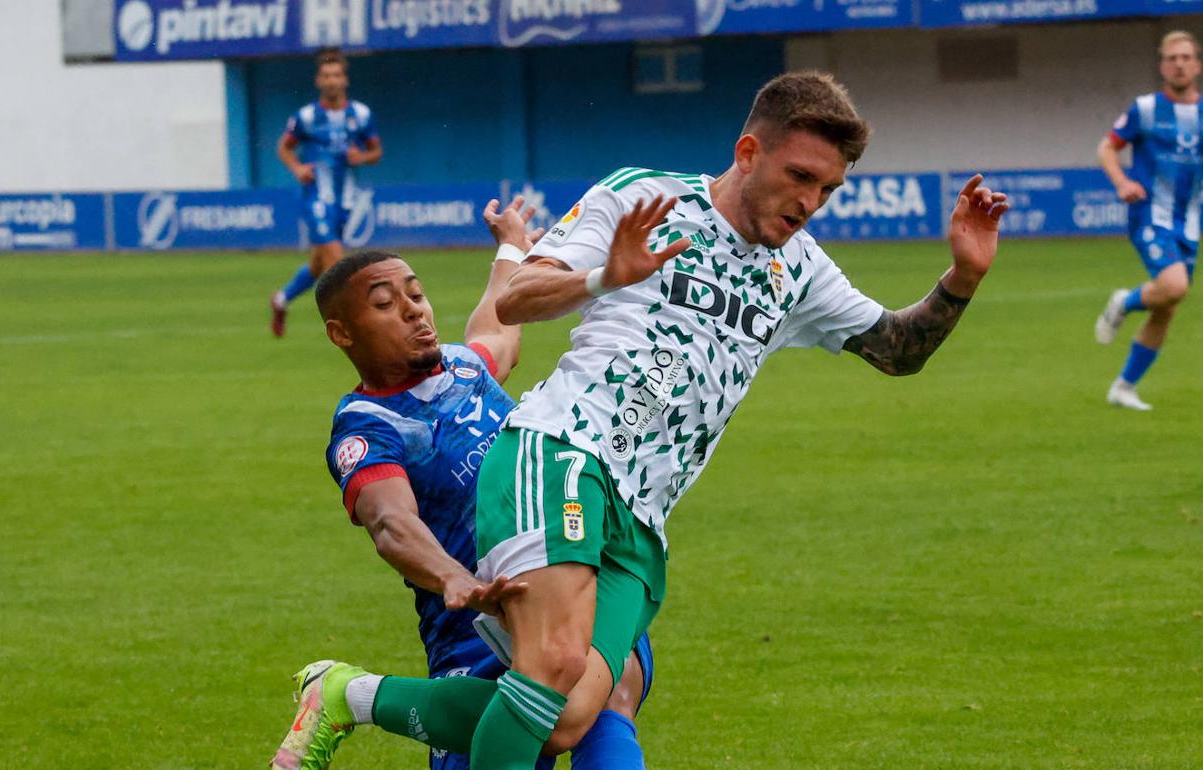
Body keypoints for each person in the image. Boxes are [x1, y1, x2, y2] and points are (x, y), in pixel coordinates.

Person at [272, 70, 1008, 770]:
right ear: (749, 152)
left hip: (644, 517)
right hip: (562, 454)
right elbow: (518, 298)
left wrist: (961, 278)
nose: (811, 201)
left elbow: (895, 349)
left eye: (828, 188)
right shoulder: (646, 197)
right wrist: (605, 277)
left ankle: (347, 694)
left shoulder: (802, 271)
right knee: (555, 667)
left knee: (570, 716)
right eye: (800, 177)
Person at [268, 197, 653, 770]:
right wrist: (455, 578)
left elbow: (499, 326)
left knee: (610, 694)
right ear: (340, 334)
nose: (415, 312)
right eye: (385, 304)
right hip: (475, 625)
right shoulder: (370, 426)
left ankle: (349, 694)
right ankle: (349, 694)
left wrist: (512, 245)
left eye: (416, 296)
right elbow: (391, 523)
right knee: (554, 720)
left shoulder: (464, 368)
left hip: (560, 575)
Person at [1093, 30, 1201, 410]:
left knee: (1166, 308)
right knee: (1174, 286)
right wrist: (1122, 181)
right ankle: (1124, 301)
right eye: (1172, 57)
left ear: (1198, 64)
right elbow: (1107, 147)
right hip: (1150, 217)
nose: (1180, 63)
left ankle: (1123, 387)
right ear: (1162, 65)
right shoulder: (1146, 109)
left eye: (1187, 57)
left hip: (1189, 224)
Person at [270, 47, 383, 338]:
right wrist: (297, 168)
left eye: (336, 75)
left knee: (319, 264)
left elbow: (376, 151)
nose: (331, 80)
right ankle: (359, 323)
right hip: (316, 198)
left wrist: (362, 158)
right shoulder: (306, 117)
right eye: (326, 76)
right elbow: (284, 147)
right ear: (318, 81)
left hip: (345, 198)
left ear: (344, 79)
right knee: (337, 261)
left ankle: (281, 300)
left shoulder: (360, 114)